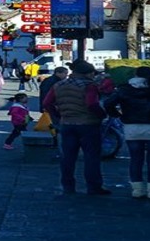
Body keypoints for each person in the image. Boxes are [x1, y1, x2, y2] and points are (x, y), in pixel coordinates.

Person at [103, 67, 150, 199]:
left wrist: (120, 115)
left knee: (136, 159)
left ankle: (137, 190)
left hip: (132, 128)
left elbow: (108, 103)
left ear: (135, 75)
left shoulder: (124, 89)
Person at [43, 59, 111, 195]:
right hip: (88, 124)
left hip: (67, 124)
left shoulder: (59, 85)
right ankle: (93, 186)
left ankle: (68, 186)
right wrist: (102, 115)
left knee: (68, 157)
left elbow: (47, 103)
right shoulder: (89, 86)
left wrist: (58, 116)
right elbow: (91, 104)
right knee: (91, 156)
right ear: (88, 73)